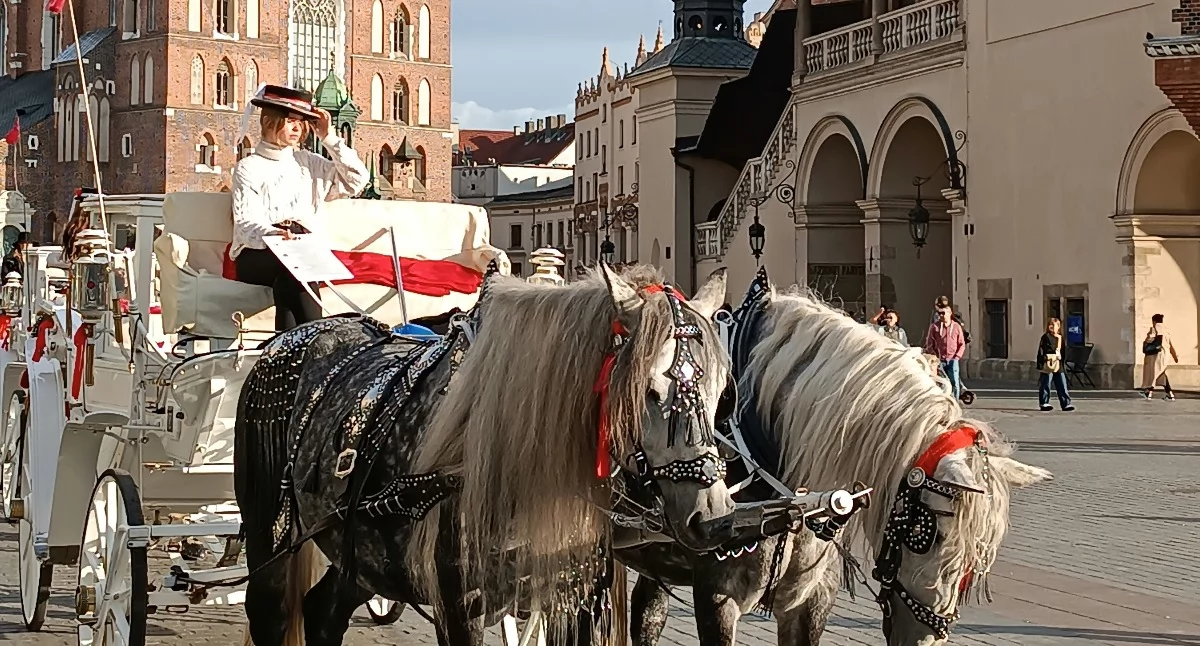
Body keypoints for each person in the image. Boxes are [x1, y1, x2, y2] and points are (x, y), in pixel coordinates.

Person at [230, 84, 369, 331]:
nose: (297, 127)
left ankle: (288, 352)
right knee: (294, 267)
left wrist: (329, 138)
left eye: (301, 122)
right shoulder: (249, 167)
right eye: (289, 120)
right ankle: (317, 341)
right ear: (270, 121)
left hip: (301, 249)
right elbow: (245, 221)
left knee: (292, 277)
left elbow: (357, 179)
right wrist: (275, 234)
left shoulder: (308, 163)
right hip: (259, 251)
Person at [924, 305, 966, 399]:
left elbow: (961, 343)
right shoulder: (935, 327)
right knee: (941, 382)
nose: (941, 315)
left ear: (950, 313)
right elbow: (930, 343)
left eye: (943, 313)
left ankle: (955, 402)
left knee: (954, 382)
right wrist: (935, 357)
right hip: (940, 360)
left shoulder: (956, 327)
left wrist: (957, 357)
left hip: (953, 359)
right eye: (939, 313)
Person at [1036, 318, 1074, 412]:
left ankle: (1066, 404)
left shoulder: (1060, 338)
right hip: (1048, 363)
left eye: (1054, 325)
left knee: (1062, 384)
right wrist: (1042, 361)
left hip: (1058, 363)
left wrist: (1062, 361)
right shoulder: (1045, 337)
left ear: (1059, 327)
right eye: (1050, 325)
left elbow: (1063, 351)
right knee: (1046, 383)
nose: (1052, 327)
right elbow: (1041, 350)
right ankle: (1044, 403)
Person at [1139, 313, 1179, 401]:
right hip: (1165, 355)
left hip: (1156, 355)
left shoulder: (1155, 329)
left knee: (1154, 373)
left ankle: (1149, 392)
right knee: (1161, 374)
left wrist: (1146, 341)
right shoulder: (1167, 330)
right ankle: (1170, 394)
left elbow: (1150, 339)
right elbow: (1171, 345)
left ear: (1154, 321)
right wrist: (1175, 356)